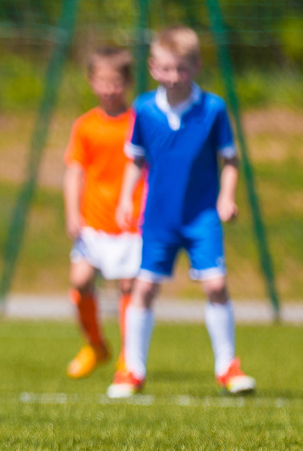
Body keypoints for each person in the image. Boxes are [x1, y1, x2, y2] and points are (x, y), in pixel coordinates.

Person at [106, 26, 255, 398]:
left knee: (216, 285)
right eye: (167, 69)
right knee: (145, 288)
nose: (174, 77)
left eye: (182, 69)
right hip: (158, 217)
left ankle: (228, 367)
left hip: (202, 215)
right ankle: (132, 370)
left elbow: (231, 160)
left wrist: (227, 196)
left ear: (196, 66)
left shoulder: (213, 109)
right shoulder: (143, 108)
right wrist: (127, 199)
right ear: (154, 67)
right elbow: (134, 161)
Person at [62, 47, 143, 379]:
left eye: (116, 81)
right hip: (93, 221)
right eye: (102, 81)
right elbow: (74, 170)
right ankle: (95, 344)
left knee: (129, 287)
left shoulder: (141, 122)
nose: (109, 88)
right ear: (91, 82)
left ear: (128, 82)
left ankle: (129, 356)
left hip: (132, 222)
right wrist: (72, 212)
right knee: (80, 281)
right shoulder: (85, 126)